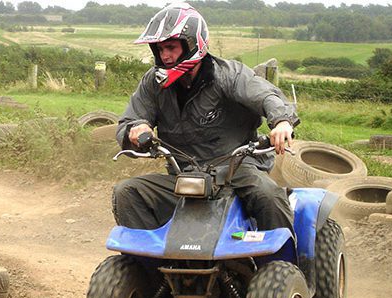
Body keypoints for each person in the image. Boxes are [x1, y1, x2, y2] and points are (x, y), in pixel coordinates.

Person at [113, 2, 299, 234]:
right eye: (160, 49)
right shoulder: (153, 83)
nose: (165, 55)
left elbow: (267, 96)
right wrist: (137, 128)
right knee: (127, 192)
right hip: (184, 176)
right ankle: (148, 267)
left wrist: (281, 121)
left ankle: (281, 265)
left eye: (171, 47)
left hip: (236, 171)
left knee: (269, 196)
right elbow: (129, 122)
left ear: (192, 44)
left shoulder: (228, 75)